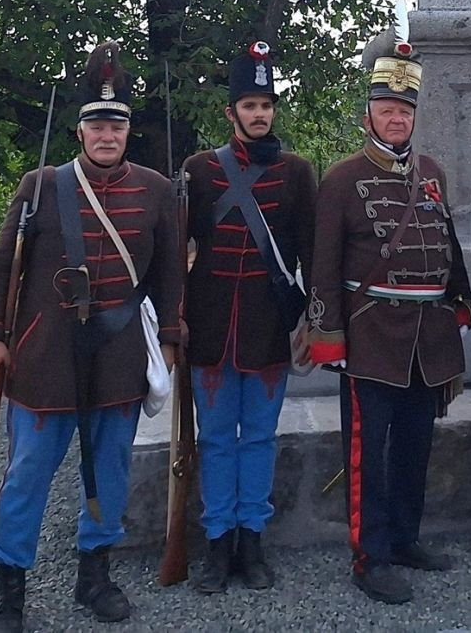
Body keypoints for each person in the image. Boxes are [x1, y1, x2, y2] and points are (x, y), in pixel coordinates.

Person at [0, 43, 183, 632]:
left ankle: (95, 576)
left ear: (128, 130)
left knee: (109, 469)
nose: (107, 133)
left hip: (118, 356)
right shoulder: (41, 184)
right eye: (97, 123)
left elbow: (168, 275)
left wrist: (167, 339)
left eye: (116, 123)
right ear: (80, 129)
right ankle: (9, 590)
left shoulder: (157, 191)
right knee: (28, 474)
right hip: (44, 358)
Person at [308, 34, 471, 605]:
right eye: (387, 110)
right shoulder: (341, 177)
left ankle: (405, 538)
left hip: (426, 339)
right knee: (367, 456)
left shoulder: (431, 171)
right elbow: (323, 265)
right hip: (371, 337)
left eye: (404, 110)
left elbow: (444, 239)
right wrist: (328, 334)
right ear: (368, 116)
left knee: (413, 448)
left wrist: (461, 297)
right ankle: (368, 555)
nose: (396, 118)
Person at [182, 41, 318, 592]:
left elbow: (310, 251)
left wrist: (312, 320)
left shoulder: (297, 172)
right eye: (249, 105)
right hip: (210, 328)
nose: (259, 114)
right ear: (231, 112)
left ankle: (252, 542)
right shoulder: (198, 170)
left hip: (268, 327)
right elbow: (177, 252)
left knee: (259, 439)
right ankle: (218, 546)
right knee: (215, 439)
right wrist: (174, 322)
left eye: (266, 104)